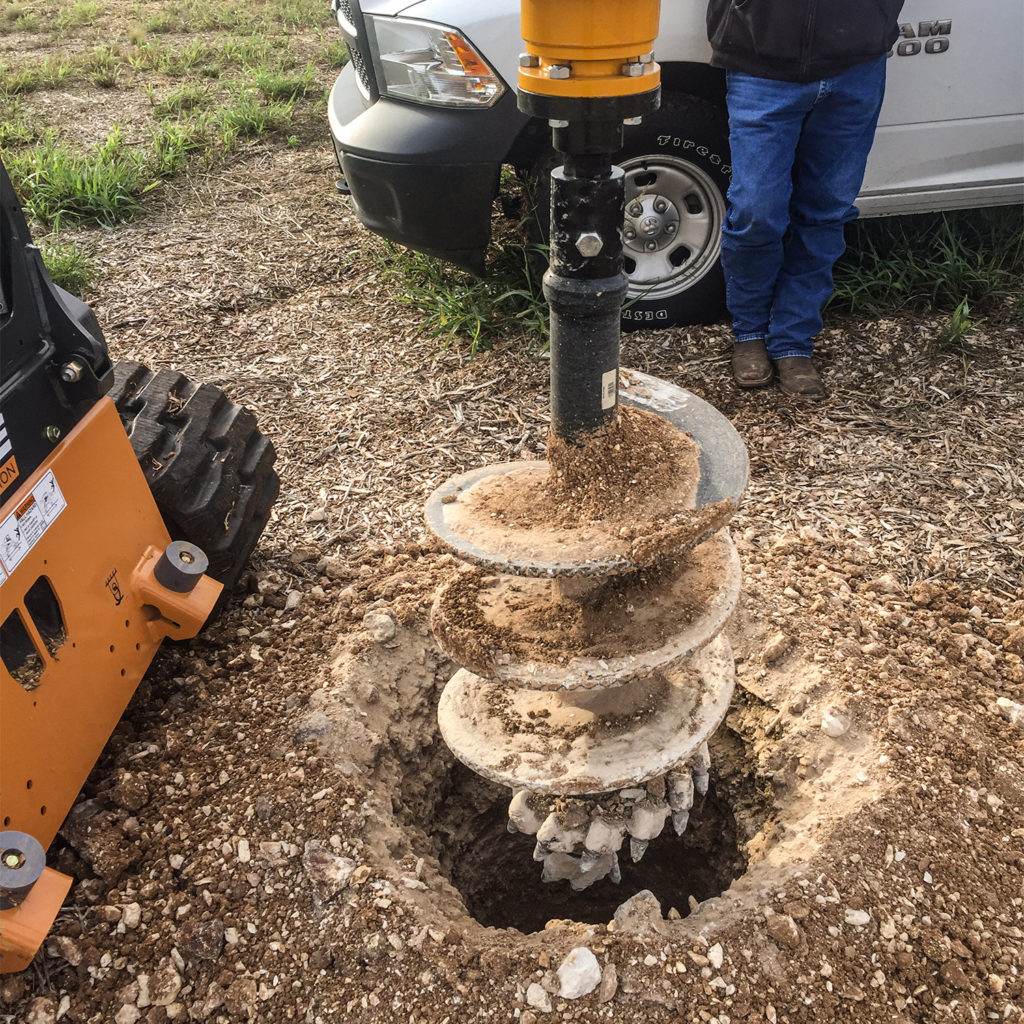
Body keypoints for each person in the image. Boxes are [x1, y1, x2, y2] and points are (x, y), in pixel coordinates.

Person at [706, 0, 906, 398]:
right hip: (759, 60)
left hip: (858, 63)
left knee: (826, 210)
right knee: (756, 210)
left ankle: (792, 341)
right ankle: (749, 332)